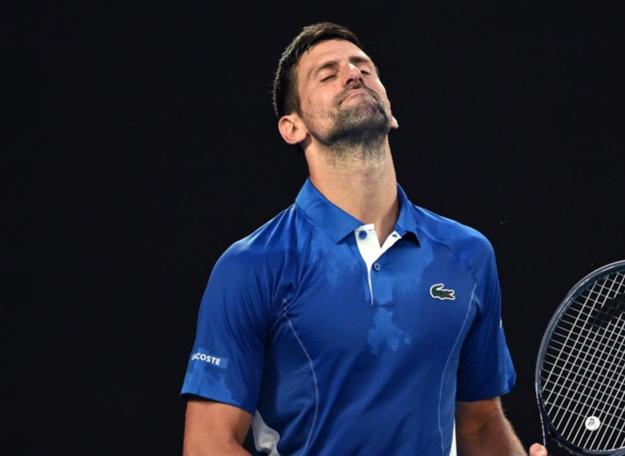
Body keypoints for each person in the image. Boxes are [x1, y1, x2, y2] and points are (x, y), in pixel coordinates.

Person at [180, 22, 548, 456]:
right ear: (292, 127)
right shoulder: (251, 265)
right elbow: (208, 445)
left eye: (363, 67)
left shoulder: (468, 255)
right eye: (328, 73)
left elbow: (480, 422)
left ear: (391, 112)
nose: (353, 74)